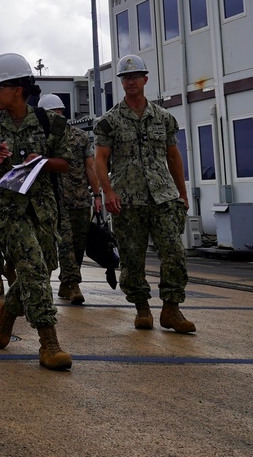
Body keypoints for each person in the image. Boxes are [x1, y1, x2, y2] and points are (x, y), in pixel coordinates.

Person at [0, 53, 73, 370]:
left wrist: (40, 161)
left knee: (41, 271)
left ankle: (7, 313)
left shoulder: (50, 123)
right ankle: (49, 343)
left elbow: (65, 163)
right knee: (31, 268)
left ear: (17, 89)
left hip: (42, 212)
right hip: (5, 213)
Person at [94, 54, 196, 334]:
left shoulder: (163, 118)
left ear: (145, 80)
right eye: (125, 78)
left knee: (174, 252)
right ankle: (142, 308)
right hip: (127, 200)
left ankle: (171, 309)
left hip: (163, 197)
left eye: (135, 77)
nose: (130, 82)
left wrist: (182, 193)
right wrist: (108, 191)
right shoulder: (109, 121)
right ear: (121, 83)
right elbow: (100, 159)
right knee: (131, 257)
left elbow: (174, 157)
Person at [37, 94, 102, 305]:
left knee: (79, 244)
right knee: (64, 244)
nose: (56, 117)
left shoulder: (79, 136)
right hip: (53, 200)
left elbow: (90, 167)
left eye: (58, 113)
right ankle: (73, 284)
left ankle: (67, 282)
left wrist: (97, 194)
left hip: (80, 198)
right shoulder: (39, 138)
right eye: (50, 114)